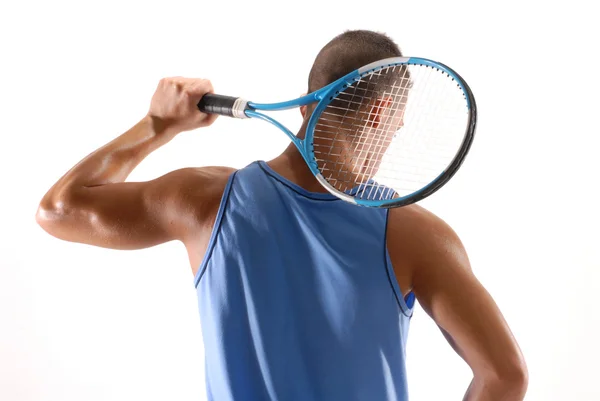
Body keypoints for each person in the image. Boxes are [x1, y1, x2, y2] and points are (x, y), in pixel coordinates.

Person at [36, 30, 528, 401]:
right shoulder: (415, 232)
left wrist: (158, 125)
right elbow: (504, 375)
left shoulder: (203, 200)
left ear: (308, 105)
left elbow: (58, 210)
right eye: (396, 126)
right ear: (378, 114)